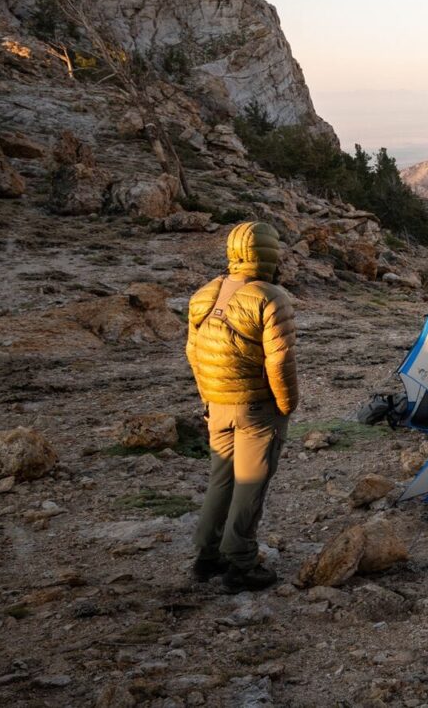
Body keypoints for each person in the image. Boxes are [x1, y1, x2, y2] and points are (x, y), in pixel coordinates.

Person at [185, 221, 298, 591]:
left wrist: (207, 397)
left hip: (216, 403)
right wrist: (286, 404)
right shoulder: (269, 296)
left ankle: (206, 557)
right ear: (268, 254)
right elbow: (279, 361)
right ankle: (241, 564)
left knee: (221, 481)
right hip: (255, 407)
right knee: (251, 484)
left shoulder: (205, 293)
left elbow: (193, 352)